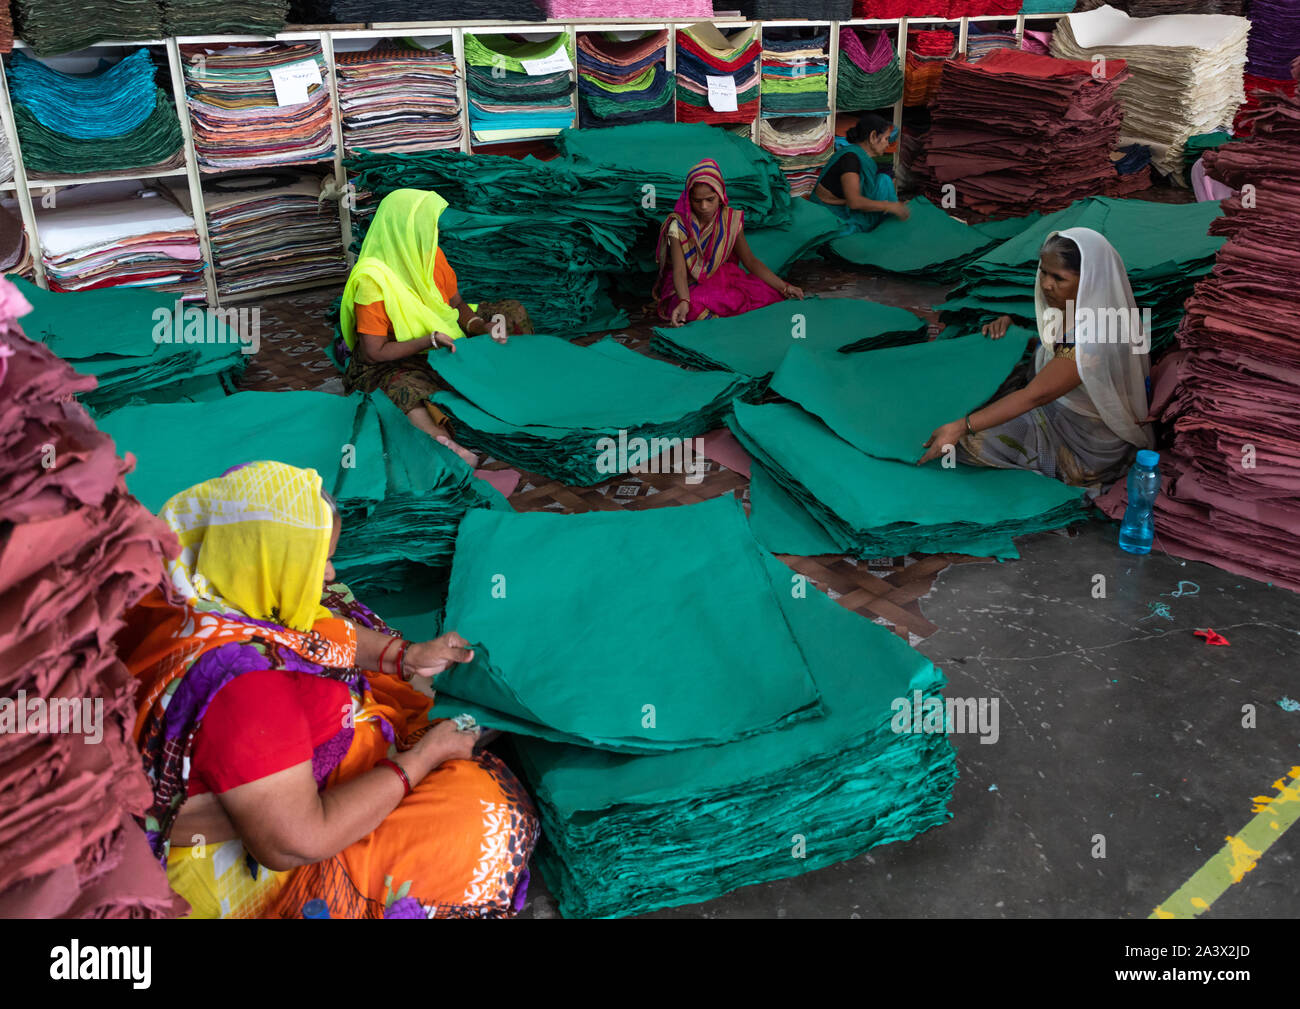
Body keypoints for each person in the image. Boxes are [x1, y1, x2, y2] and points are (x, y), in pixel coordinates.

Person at [120, 460, 539, 919]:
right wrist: (421, 760)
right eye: (317, 559)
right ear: (266, 560)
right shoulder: (248, 692)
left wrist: (407, 656)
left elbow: (318, 633)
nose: (327, 572)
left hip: (252, 777)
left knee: (342, 611)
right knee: (489, 822)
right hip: (267, 845)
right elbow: (297, 843)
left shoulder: (190, 582)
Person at [918, 229, 1154, 487]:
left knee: (966, 442)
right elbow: (1054, 349)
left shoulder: (1092, 340)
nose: (1045, 285)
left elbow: (1035, 395)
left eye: (1058, 278)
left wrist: (961, 427)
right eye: (1043, 272)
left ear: (1088, 280)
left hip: (1084, 445)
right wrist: (1015, 334)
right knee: (978, 389)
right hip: (1055, 405)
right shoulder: (1077, 309)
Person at [339, 188, 534, 466]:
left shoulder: (431, 256)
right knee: (403, 387)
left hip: (443, 341)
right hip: (397, 358)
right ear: (403, 228)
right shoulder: (373, 281)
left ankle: (514, 381)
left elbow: (457, 305)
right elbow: (374, 353)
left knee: (512, 312)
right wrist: (427, 340)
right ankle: (444, 443)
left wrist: (480, 326)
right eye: (426, 224)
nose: (433, 231)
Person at [655, 157, 804, 326]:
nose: (704, 206)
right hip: (688, 284)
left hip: (721, 277)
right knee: (691, 308)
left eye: (710, 199)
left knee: (768, 295)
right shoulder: (678, 226)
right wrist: (683, 300)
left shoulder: (730, 221)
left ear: (720, 196)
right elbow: (680, 271)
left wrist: (784, 287)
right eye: (697, 201)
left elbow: (750, 260)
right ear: (689, 199)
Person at [811, 113, 911, 235]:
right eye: (886, 139)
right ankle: (888, 225)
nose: (887, 144)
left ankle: (893, 215)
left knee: (883, 180)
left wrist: (894, 205)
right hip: (833, 215)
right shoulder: (850, 159)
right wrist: (889, 206)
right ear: (873, 136)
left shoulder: (859, 157)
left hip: (843, 204)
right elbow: (854, 202)